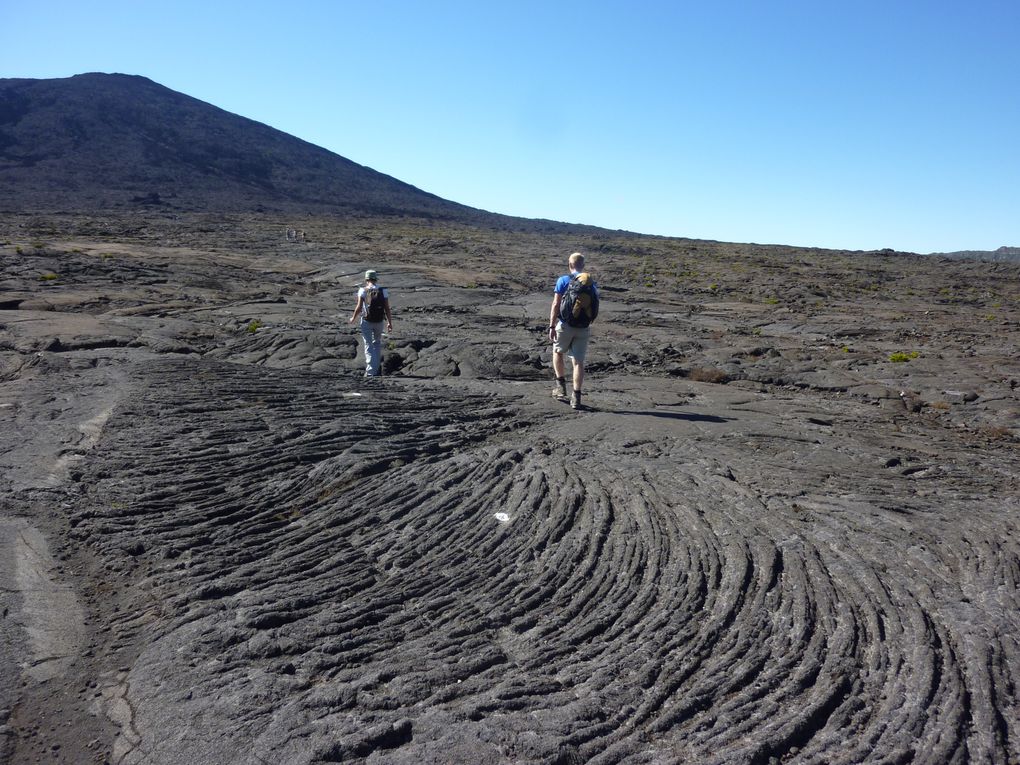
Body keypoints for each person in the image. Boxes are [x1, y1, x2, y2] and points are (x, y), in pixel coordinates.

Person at [549, 252, 599, 409]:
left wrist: (551, 325)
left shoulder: (563, 280)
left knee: (558, 352)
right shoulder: (591, 283)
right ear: (582, 266)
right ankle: (576, 397)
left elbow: (556, 304)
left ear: (569, 265)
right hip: (583, 327)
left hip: (565, 325)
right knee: (578, 362)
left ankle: (560, 387)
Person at [348, 269, 392, 376]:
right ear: (375, 279)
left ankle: (370, 371)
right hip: (379, 321)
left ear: (366, 279)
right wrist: (389, 322)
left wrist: (353, 318)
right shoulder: (383, 290)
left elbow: (359, 307)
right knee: (376, 344)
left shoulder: (363, 290)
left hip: (367, 321)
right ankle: (375, 370)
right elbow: (387, 308)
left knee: (368, 345)